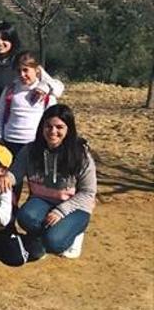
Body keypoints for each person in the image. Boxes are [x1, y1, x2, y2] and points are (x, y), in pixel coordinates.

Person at [12, 104, 96, 261]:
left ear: (68, 129)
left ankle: (74, 233)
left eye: (59, 127)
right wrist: (5, 178)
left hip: (74, 206)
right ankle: (44, 236)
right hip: (42, 201)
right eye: (48, 126)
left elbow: (88, 192)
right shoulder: (30, 150)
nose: (53, 132)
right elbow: (15, 174)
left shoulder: (81, 155)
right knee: (25, 217)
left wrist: (61, 211)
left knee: (54, 243)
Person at [0, 51, 63, 156]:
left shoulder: (46, 93)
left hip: (34, 142)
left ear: (37, 70)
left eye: (26, 70)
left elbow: (52, 119)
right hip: (10, 141)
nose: (22, 75)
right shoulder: (10, 89)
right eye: (19, 71)